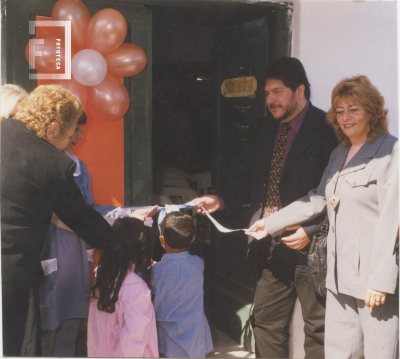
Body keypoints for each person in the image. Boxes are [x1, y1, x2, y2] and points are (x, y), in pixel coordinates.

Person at [193, 57, 338, 358]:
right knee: (266, 325)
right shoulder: (264, 130)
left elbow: (335, 192)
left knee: (318, 331)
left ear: (300, 91)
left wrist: (311, 230)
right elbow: (250, 179)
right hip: (269, 245)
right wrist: (219, 200)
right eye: (267, 93)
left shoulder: (328, 130)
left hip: (310, 249)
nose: (270, 100)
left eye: (278, 92)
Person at [247, 75, 399, 359]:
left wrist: (381, 279)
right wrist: (269, 223)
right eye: (339, 111)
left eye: (354, 109)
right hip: (337, 277)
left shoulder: (391, 151)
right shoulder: (339, 153)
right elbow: (317, 198)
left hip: (372, 282)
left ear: (371, 111)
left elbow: (393, 220)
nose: (345, 117)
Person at [1, 84, 114, 356]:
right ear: (53, 129)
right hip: (10, 275)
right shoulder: (53, 165)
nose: (78, 135)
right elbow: (85, 221)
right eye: (72, 129)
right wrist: (125, 240)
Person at [39, 111, 116, 357]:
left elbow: (88, 210)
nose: (81, 136)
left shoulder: (77, 166)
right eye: (76, 129)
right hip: (47, 254)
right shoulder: (34, 163)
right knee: (46, 326)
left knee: (71, 323)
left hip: (75, 260)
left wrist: (124, 215)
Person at [87, 216, 158, 357]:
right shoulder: (136, 288)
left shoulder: (103, 278)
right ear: (140, 249)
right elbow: (134, 340)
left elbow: (94, 333)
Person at [151, 212, 213, 358]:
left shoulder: (154, 271)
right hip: (195, 340)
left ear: (161, 240)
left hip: (167, 342)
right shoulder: (198, 263)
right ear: (192, 239)